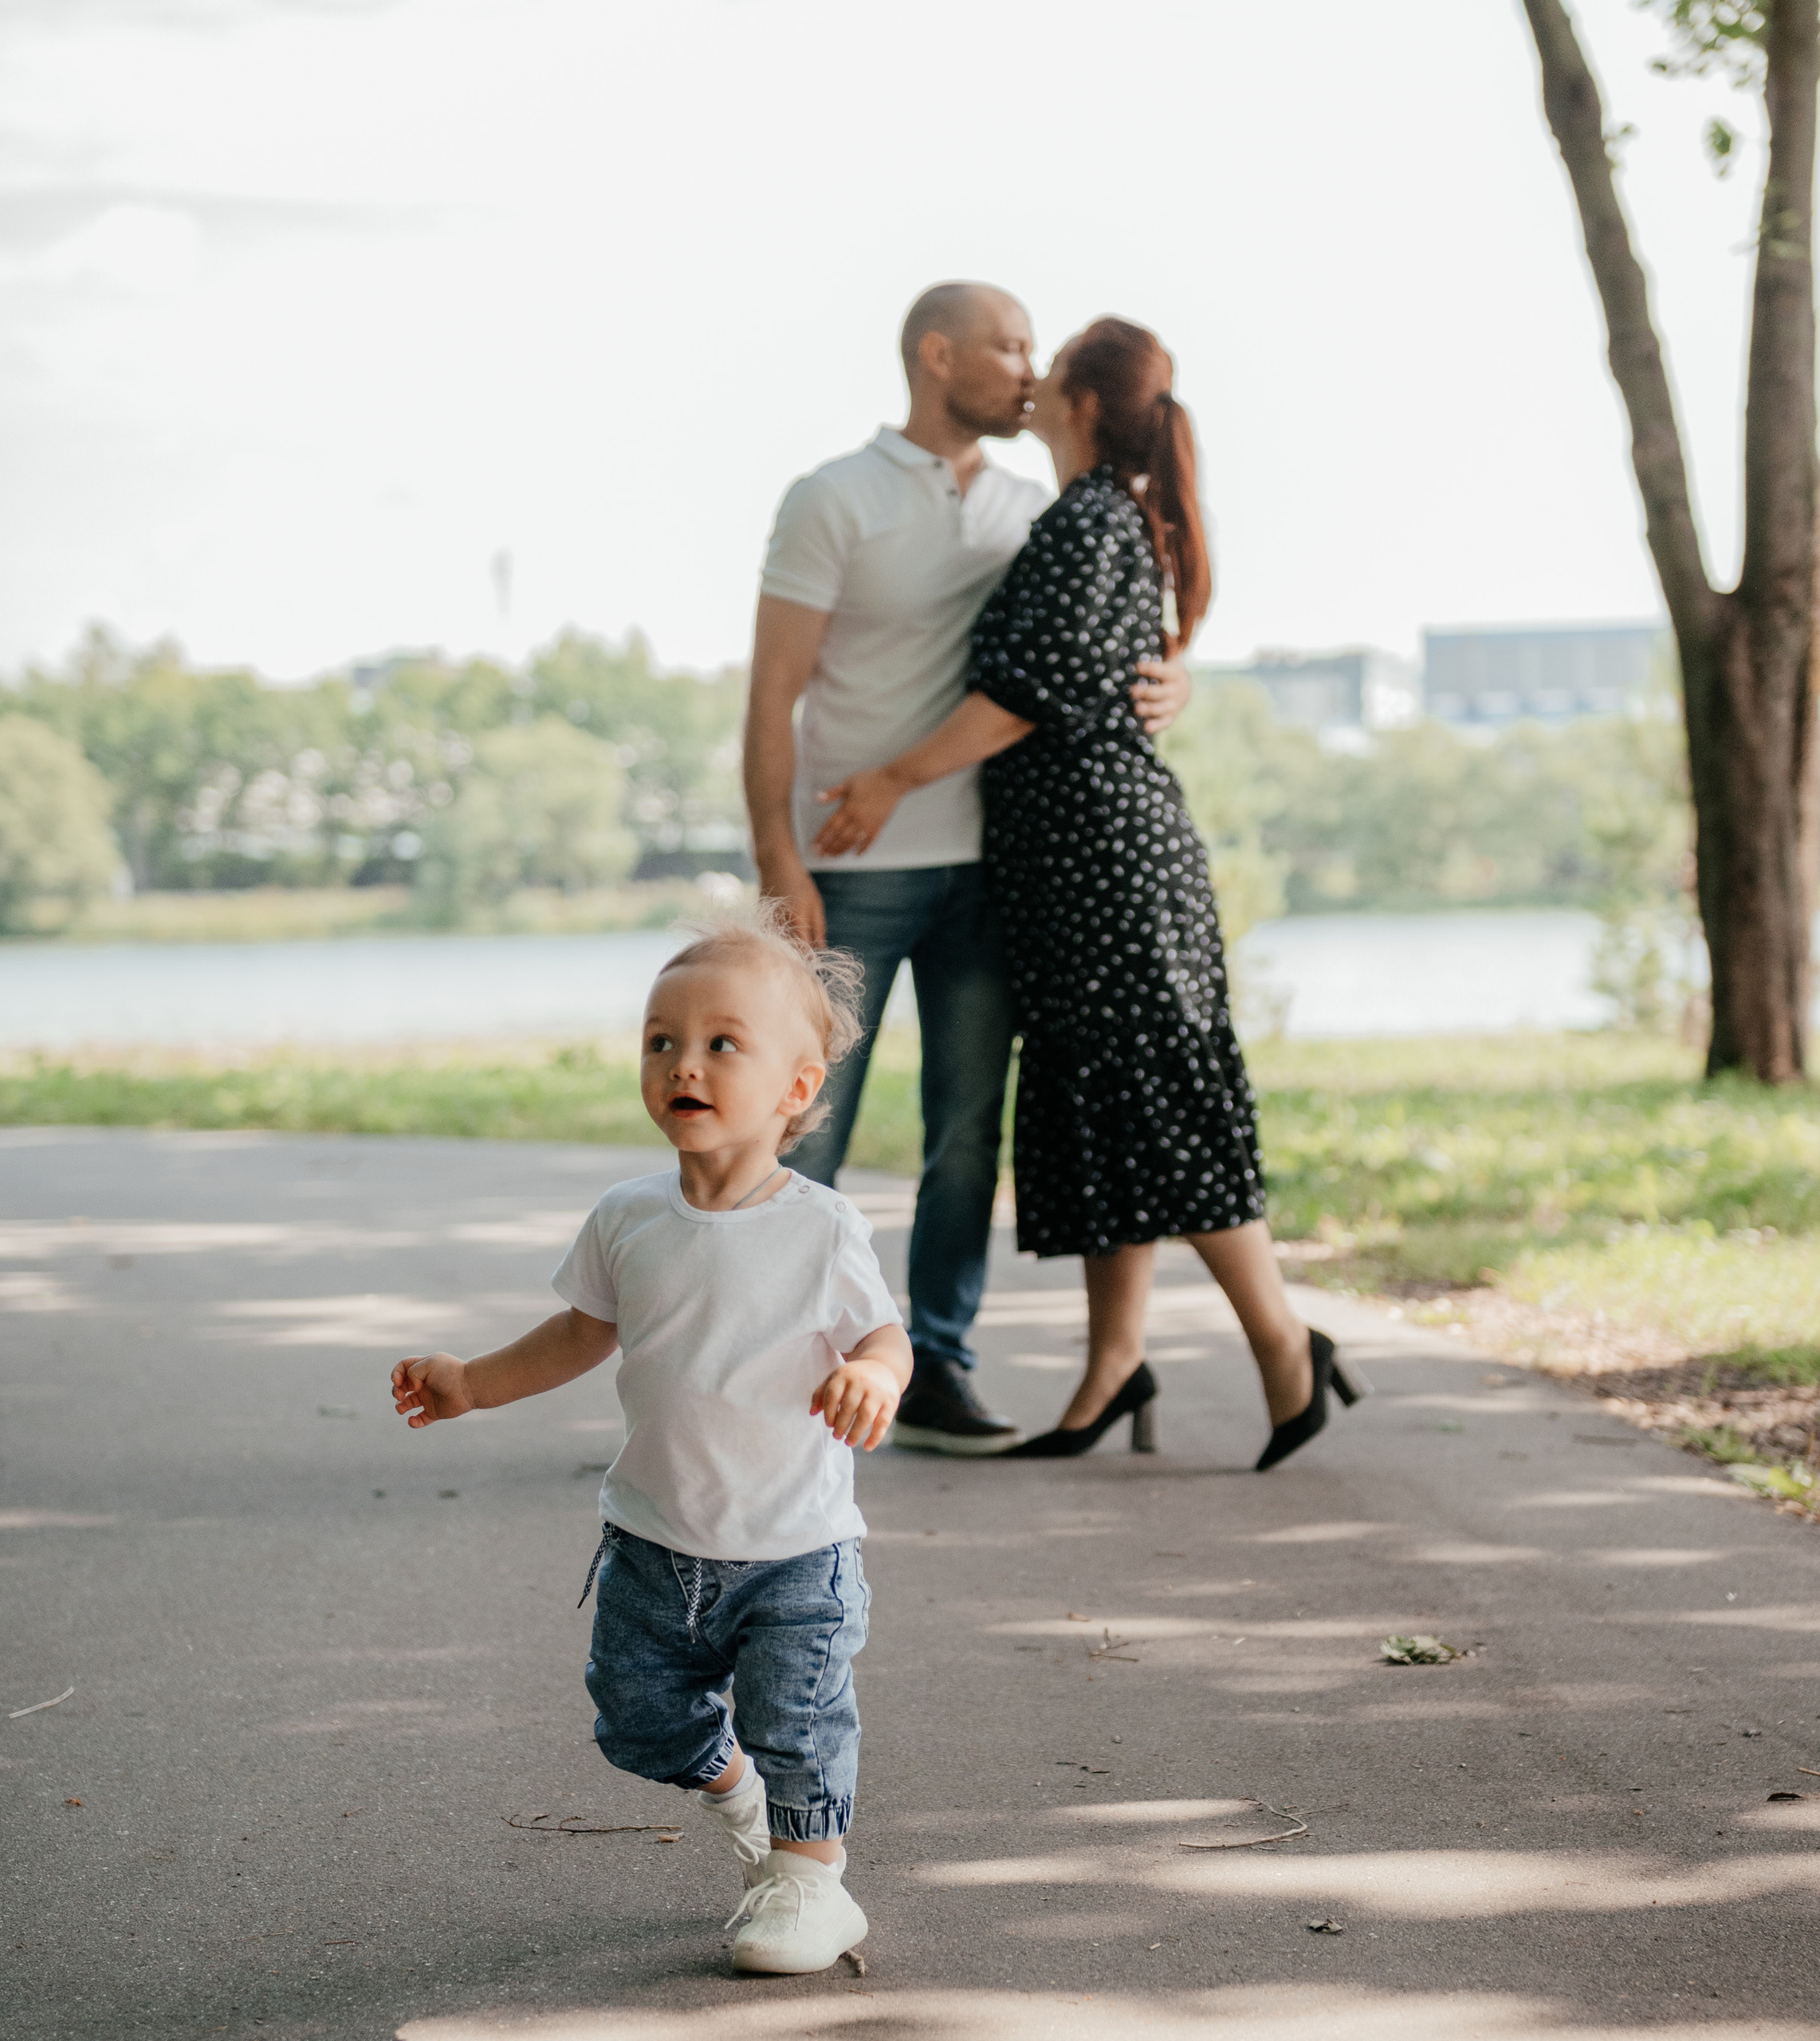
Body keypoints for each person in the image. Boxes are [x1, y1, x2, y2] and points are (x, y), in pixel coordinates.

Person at [812, 318, 1366, 1471]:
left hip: (1107, 863)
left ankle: (1285, 1347)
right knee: (1112, 1108)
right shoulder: (1086, 517)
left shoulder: (1090, 521)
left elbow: (1028, 691)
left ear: (1082, 401)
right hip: (1072, 864)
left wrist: (893, 778)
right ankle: (1114, 1367)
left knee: (1160, 1099)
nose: (1031, 374)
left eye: (1047, 359)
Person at [387, 908, 907, 1976]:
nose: (684, 1063)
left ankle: (811, 1885)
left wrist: (872, 1376)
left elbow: (884, 1336)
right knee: (637, 1720)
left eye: (723, 1043)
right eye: (661, 1040)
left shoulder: (819, 1228)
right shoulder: (628, 1217)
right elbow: (583, 1331)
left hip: (795, 1550)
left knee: (800, 1722)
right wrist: (471, 1384)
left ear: (796, 1088)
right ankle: (739, 1798)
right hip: (655, 1543)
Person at [742, 281, 1192, 1456]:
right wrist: (778, 855)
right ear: (938, 356)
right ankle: (764, 1369)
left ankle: (935, 1364)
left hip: (992, 865)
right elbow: (771, 694)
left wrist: (1176, 681)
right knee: (802, 1127)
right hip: (849, 870)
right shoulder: (832, 498)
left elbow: (1089, 647)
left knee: (963, 1139)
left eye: (1037, 348)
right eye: (1009, 345)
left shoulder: (1037, 506)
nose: (1031, 368)